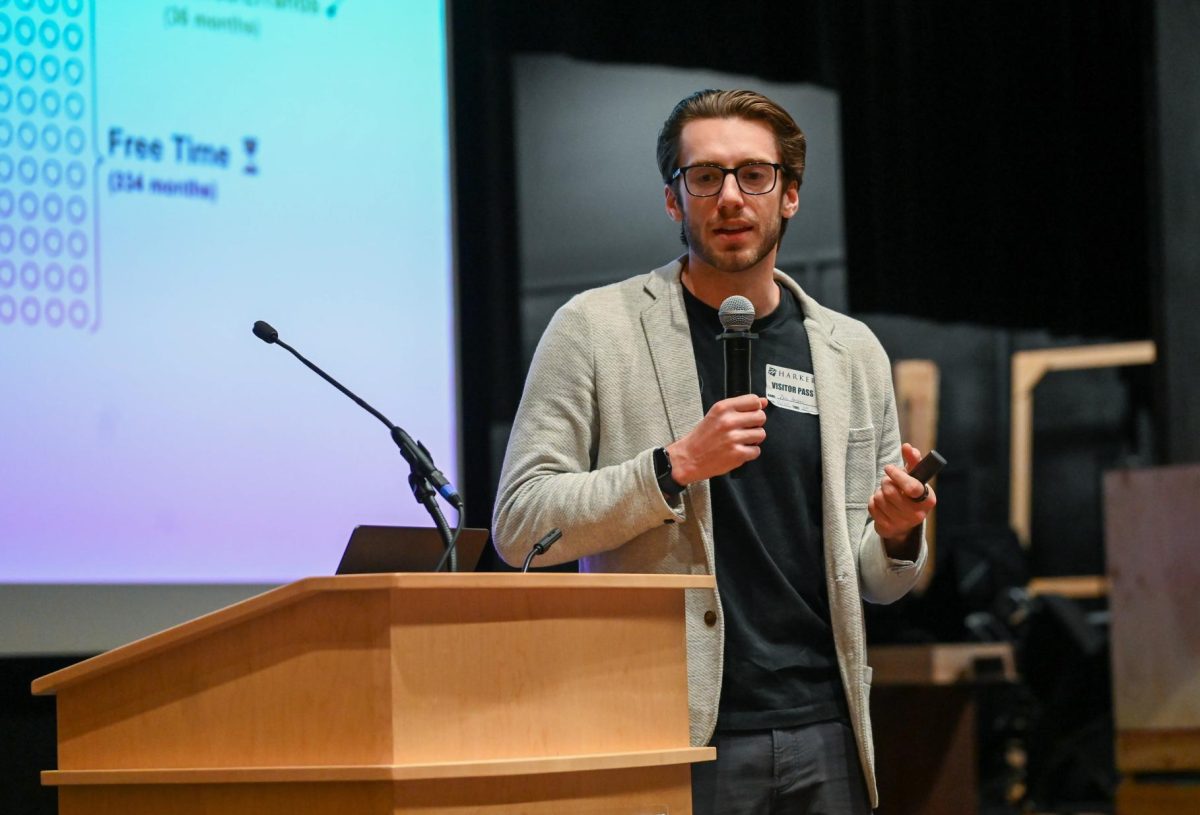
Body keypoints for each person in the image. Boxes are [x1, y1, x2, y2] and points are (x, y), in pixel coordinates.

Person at [492, 88, 933, 814]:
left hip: (826, 725)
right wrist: (671, 467)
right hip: (673, 729)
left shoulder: (852, 352)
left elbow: (876, 582)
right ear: (674, 200)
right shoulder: (596, 330)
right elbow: (519, 526)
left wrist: (896, 534)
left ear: (789, 195)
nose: (730, 196)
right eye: (705, 177)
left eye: (754, 175)